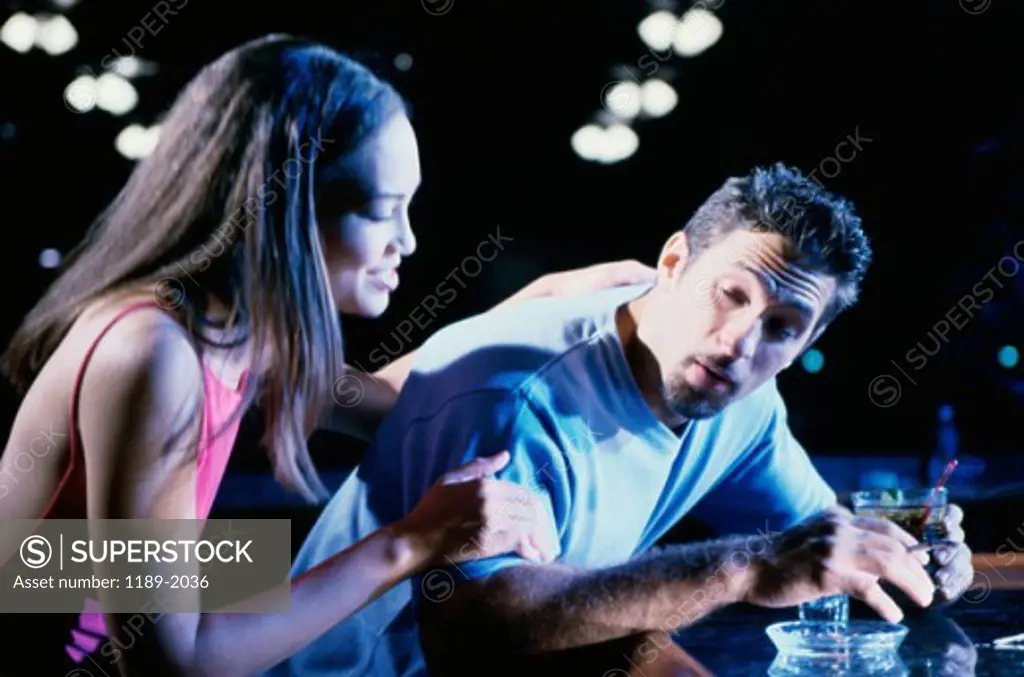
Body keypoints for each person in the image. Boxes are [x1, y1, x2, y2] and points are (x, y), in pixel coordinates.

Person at [0, 34, 653, 677]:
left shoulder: (230, 334)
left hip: (65, 581)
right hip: (53, 631)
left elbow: (399, 403)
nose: (408, 239)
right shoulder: (153, 351)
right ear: (285, 207)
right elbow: (169, 660)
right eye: (382, 210)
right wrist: (414, 540)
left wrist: (541, 302)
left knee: (311, 580)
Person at [278, 163, 974, 676]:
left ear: (807, 343)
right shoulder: (512, 390)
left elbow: (815, 544)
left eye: (783, 327)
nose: (739, 342)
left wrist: (910, 555)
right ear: (673, 261)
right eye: (728, 293)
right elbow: (474, 631)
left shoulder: (746, 403)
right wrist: (745, 567)